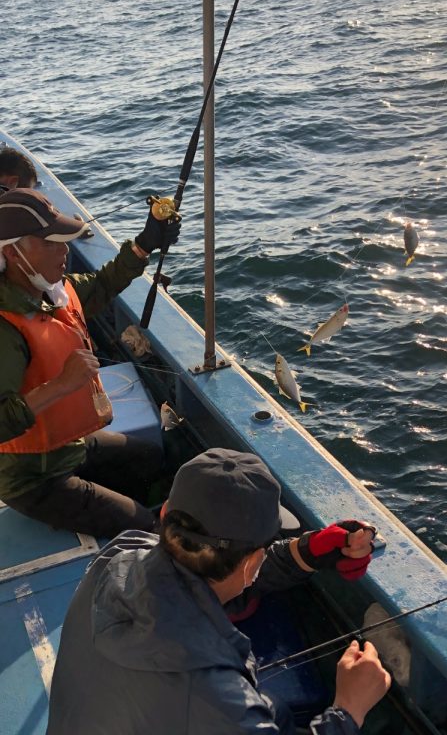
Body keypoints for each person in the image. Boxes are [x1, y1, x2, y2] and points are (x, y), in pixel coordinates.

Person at [47, 448, 391, 734]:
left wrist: (306, 552)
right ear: (250, 563)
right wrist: (348, 709)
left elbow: (207, 577)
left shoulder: (121, 553)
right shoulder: (223, 704)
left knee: (280, 713)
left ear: (166, 514)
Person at [0, 187, 181, 537]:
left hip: (71, 447)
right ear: (12, 253)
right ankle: (146, 529)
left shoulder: (51, 290)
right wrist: (61, 385)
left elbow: (100, 285)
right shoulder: (5, 329)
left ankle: (136, 510)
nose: (64, 250)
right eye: (51, 243)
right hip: (33, 479)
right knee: (148, 529)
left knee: (151, 458)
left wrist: (145, 243)